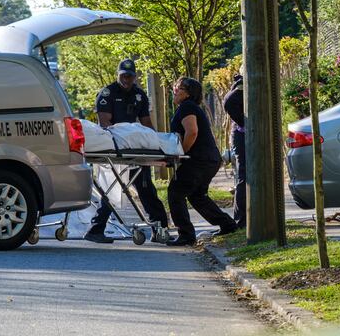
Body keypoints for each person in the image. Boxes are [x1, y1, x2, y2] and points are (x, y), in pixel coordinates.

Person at [84, 58, 169, 244]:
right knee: (112, 190)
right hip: (114, 146)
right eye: (123, 75)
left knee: (145, 187)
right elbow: (105, 123)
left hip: (133, 148)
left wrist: (155, 143)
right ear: (118, 75)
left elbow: (146, 122)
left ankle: (160, 227)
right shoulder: (107, 93)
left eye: (130, 76)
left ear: (135, 76)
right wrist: (117, 144)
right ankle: (96, 229)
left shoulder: (139, 95)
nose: (127, 79)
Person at [166, 77, 238, 246]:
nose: (175, 90)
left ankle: (186, 234)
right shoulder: (189, 107)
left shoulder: (187, 107)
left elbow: (192, 132)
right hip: (209, 159)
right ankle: (227, 224)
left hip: (199, 159)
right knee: (197, 195)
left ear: (189, 93)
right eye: (175, 86)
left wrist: (180, 154)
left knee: (175, 192)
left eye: (179, 87)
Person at [223, 71, 246, 229]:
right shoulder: (242, 86)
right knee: (244, 176)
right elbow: (229, 101)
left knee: (245, 176)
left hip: (242, 133)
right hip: (242, 135)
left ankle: (245, 218)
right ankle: (241, 220)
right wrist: (243, 122)